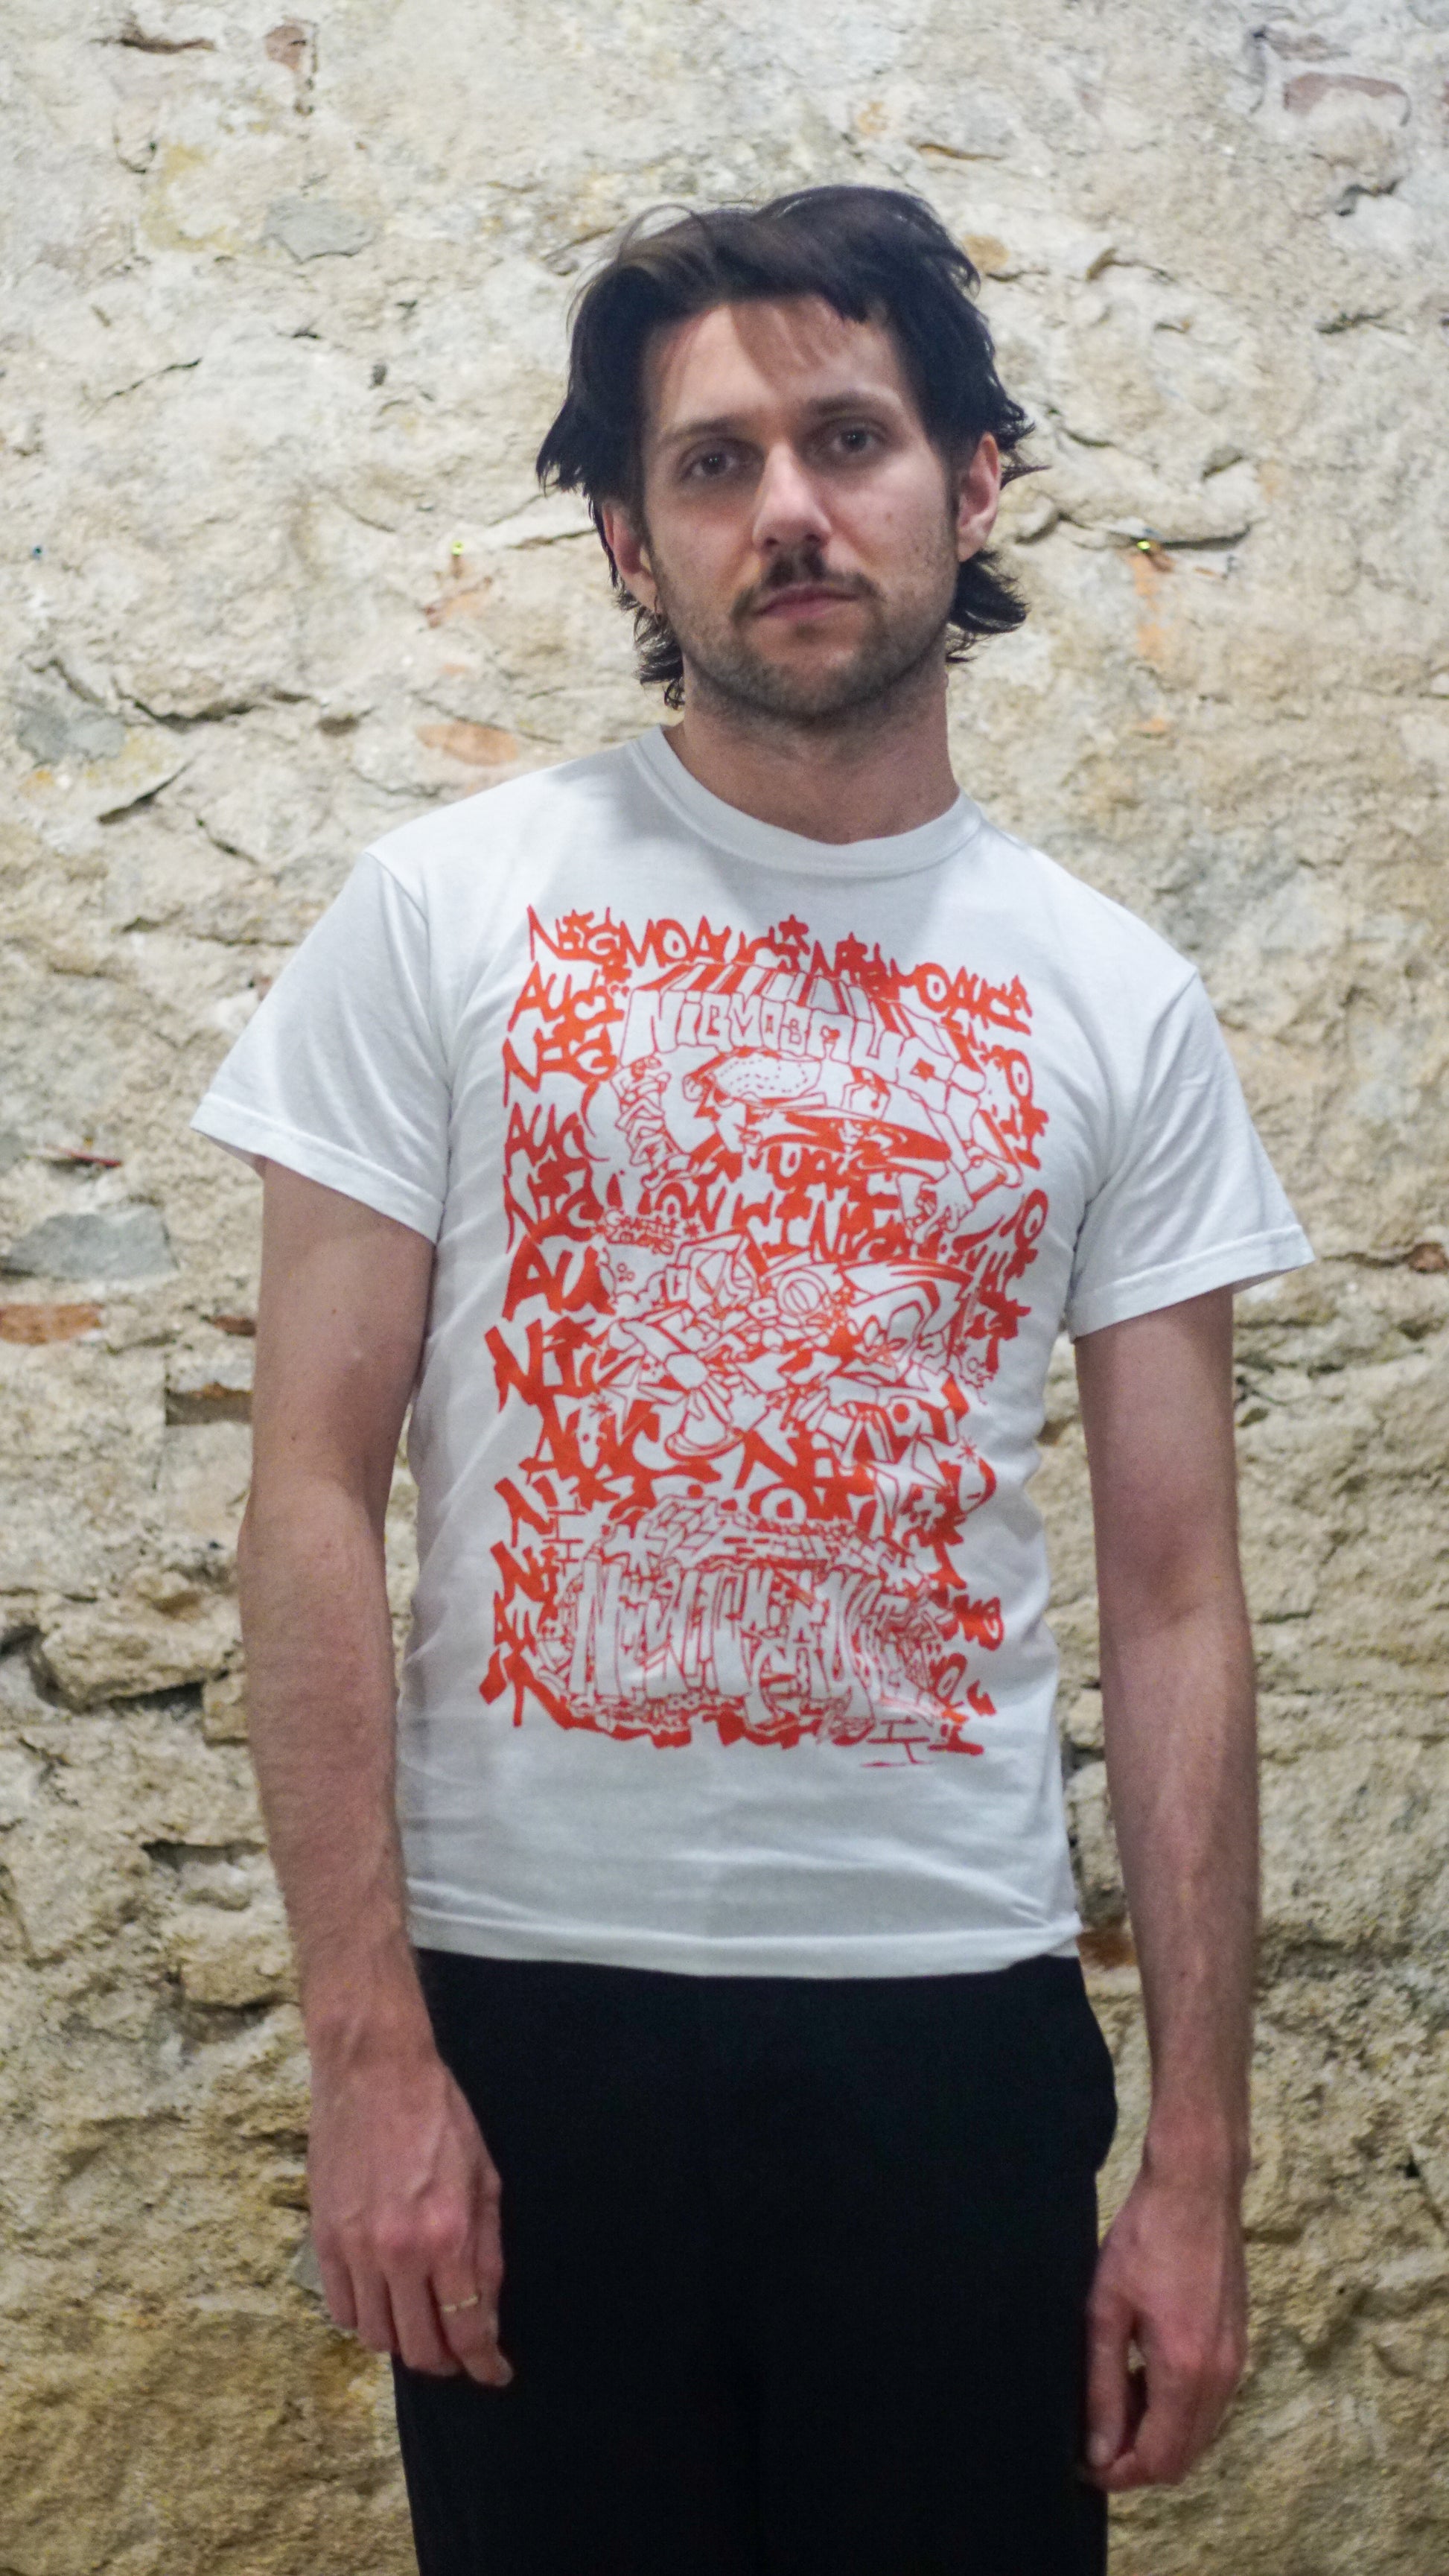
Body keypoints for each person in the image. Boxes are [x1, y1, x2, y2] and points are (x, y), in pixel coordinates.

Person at [192, 185, 1312, 2575]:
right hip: (525, 2022)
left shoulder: (1111, 995)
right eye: (710, 463)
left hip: (950, 2021)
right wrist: (367, 2049)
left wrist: (1198, 2161)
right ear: (629, 536)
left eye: (848, 437)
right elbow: (306, 1489)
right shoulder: (446, 911)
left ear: (970, 482)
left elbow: (1176, 1596)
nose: (787, 507)